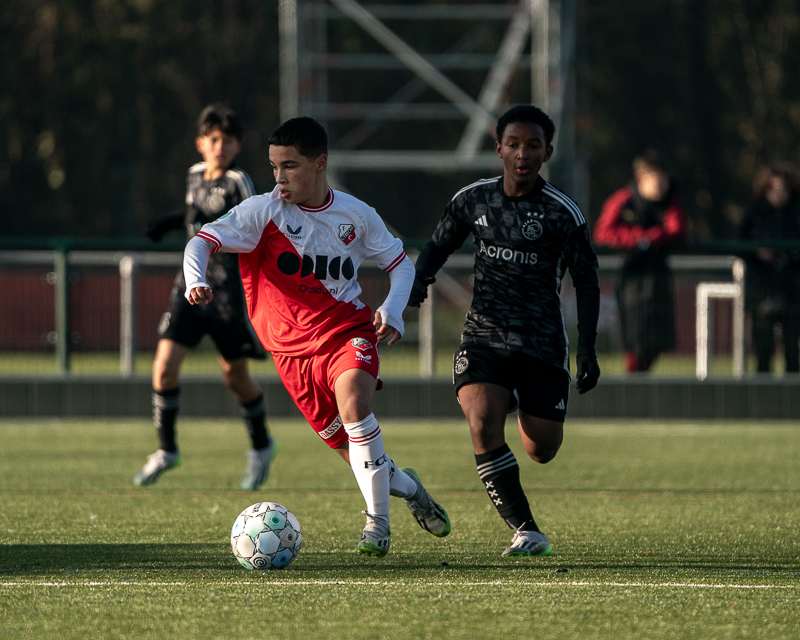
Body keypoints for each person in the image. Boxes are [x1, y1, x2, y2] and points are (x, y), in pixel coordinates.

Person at [182, 116, 451, 557]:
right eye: (273, 167)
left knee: (355, 406)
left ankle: (376, 524)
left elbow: (401, 265)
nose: (279, 178)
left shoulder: (357, 215)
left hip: (347, 331)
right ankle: (409, 488)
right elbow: (200, 242)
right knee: (358, 457)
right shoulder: (261, 213)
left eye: (290, 166)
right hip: (290, 356)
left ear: (320, 163)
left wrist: (392, 310)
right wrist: (196, 278)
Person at [408, 105, 601, 558]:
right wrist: (418, 284)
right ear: (498, 148)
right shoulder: (473, 199)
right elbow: (438, 244)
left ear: (547, 151)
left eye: (533, 145)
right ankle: (526, 529)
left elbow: (587, 281)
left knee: (541, 450)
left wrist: (588, 350)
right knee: (481, 419)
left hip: (542, 344)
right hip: (484, 338)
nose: (522, 153)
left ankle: (517, 401)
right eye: (513, 144)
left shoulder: (561, 212)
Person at [134, 103, 276, 491]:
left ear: (238, 146)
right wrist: (166, 224)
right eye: (214, 140)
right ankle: (166, 450)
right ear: (201, 143)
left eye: (228, 141)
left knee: (235, 376)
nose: (220, 146)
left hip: (227, 295)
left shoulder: (239, 182)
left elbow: (257, 224)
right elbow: (192, 218)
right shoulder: (193, 175)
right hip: (188, 288)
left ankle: (262, 446)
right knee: (163, 366)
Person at [593, 150, 687, 373]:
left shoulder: (671, 200)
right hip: (632, 277)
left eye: (665, 178)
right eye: (658, 178)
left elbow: (678, 230)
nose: (662, 184)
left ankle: (640, 379)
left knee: (658, 339)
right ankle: (634, 383)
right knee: (634, 338)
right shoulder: (623, 200)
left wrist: (653, 238)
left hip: (658, 275)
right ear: (642, 178)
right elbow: (603, 232)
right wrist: (637, 238)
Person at [737, 163, 800, 373]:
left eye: (784, 189)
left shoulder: (796, 213)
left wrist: (790, 256)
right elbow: (739, 244)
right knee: (763, 352)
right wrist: (758, 252)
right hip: (762, 293)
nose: (780, 194)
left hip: (792, 293)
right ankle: (763, 401)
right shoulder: (755, 213)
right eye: (775, 189)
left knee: (793, 351)